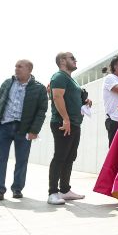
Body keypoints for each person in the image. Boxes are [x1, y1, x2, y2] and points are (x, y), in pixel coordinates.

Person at [0, 59, 48, 201]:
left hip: (24, 129)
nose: (16, 69)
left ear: (29, 69)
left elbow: (41, 111)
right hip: (3, 126)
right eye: (15, 66)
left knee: (22, 160)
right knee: (0, 159)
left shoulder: (39, 88)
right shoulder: (7, 83)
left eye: (20, 66)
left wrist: (34, 130)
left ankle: (17, 189)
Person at [47, 52, 90, 205]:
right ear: (63, 61)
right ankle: (52, 193)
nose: (75, 59)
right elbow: (57, 97)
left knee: (70, 157)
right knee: (60, 157)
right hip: (63, 123)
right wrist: (65, 119)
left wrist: (85, 101)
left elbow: (71, 97)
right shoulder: (59, 77)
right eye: (72, 58)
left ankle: (64, 190)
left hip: (74, 123)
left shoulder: (71, 80)